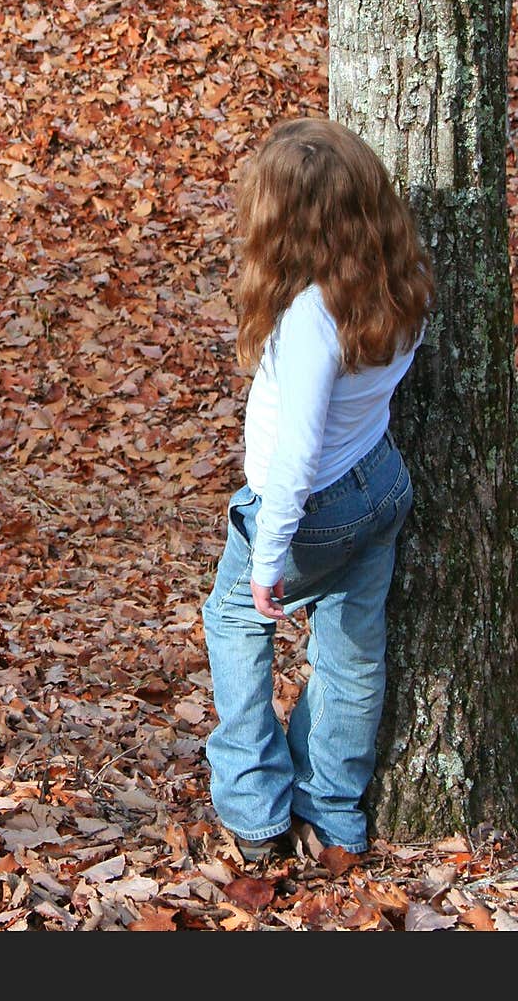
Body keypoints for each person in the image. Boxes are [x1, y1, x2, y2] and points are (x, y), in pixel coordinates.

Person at [202, 116, 435, 862]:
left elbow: (297, 453)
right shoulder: (397, 280)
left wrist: (269, 551)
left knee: (237, 621)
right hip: (380, 482)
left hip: (311, 507)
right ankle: (332, 812)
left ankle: (255, 808)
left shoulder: (310, 315)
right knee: (351, 652)